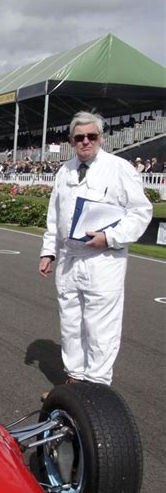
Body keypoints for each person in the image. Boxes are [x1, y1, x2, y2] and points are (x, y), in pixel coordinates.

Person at [39, 111, 152, 386]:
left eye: (91, 136)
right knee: (71, 323)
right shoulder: (64, 171)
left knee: (100, 326)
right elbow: (55, 217)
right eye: (79, 137)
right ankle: (75, 379)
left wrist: (110, 237)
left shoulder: (119, 168)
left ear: (101, 138)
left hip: (103, 258)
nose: (85, 141)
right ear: (71, 140)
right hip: (69, 259)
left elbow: (140, 212)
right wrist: (48, 251)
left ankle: (97, 385)